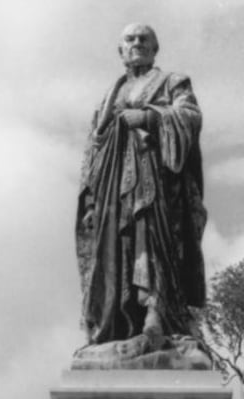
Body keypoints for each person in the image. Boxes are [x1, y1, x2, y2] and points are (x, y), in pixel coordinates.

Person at [75, 23, 207, 354]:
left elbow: (189, 117)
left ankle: (156, 320)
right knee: (117, 250)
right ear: (120, 51)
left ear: (155, 47)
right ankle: (117, 325)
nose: (137, 44)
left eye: (143, 39)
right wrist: (91, 199)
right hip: (111, 189)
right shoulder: (110, 94)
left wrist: (148, 118)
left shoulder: (172, 82)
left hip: (154, 181)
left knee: (154, 244)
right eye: (130, 39)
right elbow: (94, 146)